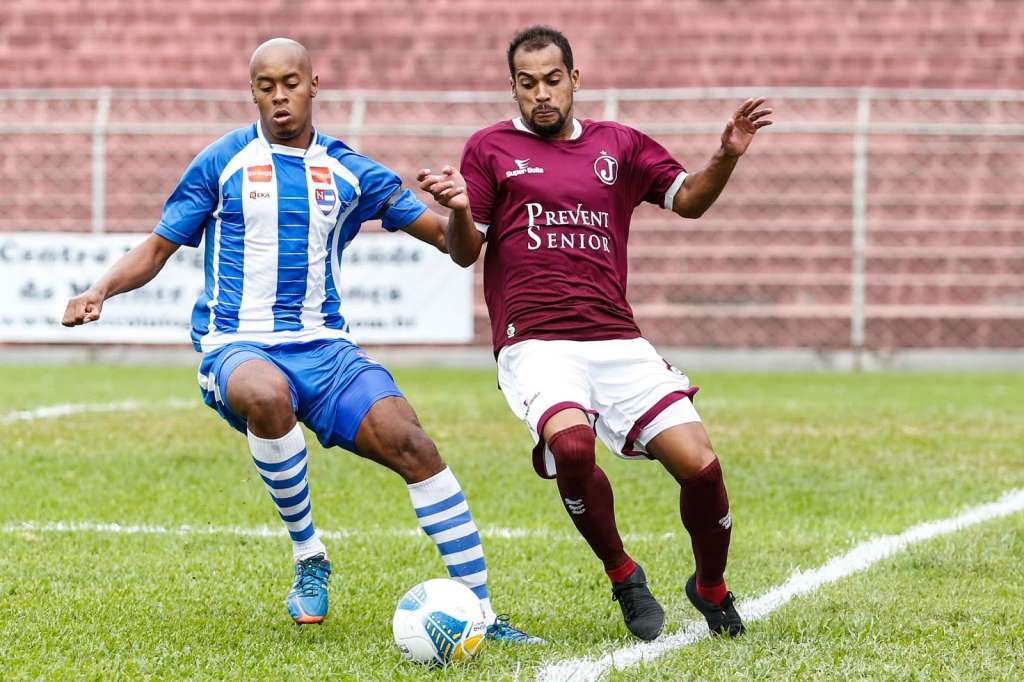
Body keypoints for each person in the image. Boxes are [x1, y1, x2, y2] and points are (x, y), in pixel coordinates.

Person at [62, 37, 540, 643]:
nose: (280, 96)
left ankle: (484, 614)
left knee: (413, 445)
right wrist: (100, 289)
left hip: (326, 348)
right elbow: (158, 247)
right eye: (266, 87)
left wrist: (462, 210)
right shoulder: (222, 162)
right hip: (237, 346)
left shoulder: (351, 171)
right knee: (265, 395)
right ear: (253, 92)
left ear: (314, 84)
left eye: (291, 83)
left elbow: (456, 247)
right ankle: (309, 554)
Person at [419, 25, 772, 641]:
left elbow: (689, 200)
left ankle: (711, 587)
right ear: (513, 88)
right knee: (574, 448)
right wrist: (458, 210)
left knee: (702, 468)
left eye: (553, 80)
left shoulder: (620, 144)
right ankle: (623, 573)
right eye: (527, 83)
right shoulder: (490, 148)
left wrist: (726, 156)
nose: (542, 94)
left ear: (574, 79)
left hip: (617, 340)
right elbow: (464, 251)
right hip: (535, 343)